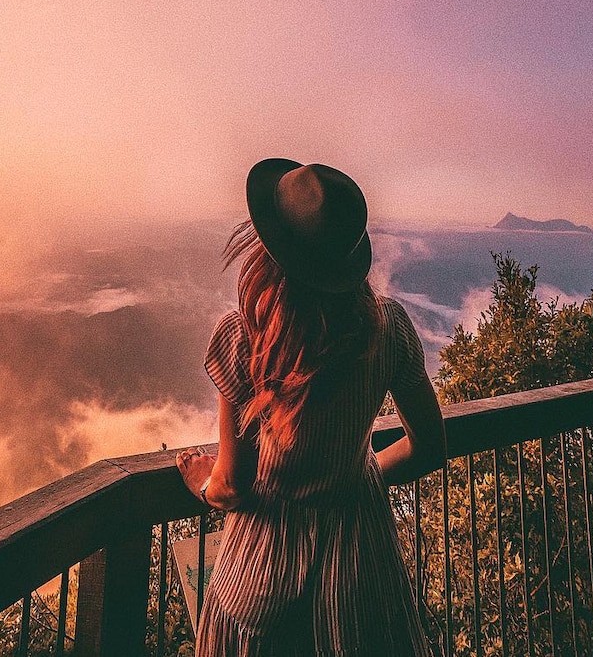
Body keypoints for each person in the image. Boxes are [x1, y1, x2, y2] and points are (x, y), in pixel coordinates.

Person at [176, 158, 446, 656]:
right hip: (361, 582)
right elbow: (429, 447)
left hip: (262, 578)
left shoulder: (243, 342)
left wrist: (201, 479)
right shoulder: (388, 331)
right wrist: (358, 476)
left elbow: (231, 487)